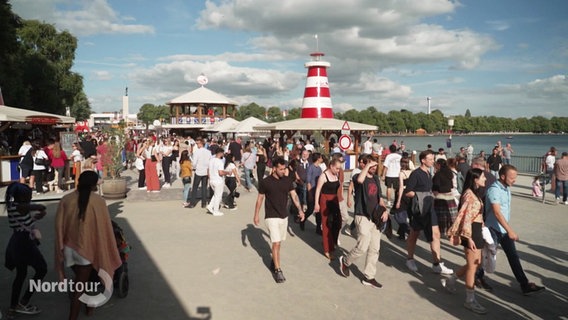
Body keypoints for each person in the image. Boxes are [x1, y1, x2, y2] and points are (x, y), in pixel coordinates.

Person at [55, 171, 122, 320]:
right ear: (93, 185)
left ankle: (88, 305)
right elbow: (104, 229)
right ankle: (73, 317)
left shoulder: (66, 199)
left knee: (81, 279)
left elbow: (59, 226)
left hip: (68, 249)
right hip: (86, 251)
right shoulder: (98, 201)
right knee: (80, 285)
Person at [485, 165, 546, 295]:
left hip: (503, 229)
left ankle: (524, 285)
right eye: (512, 178)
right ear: (502, 176)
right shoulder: (494, 190)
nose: (515, 180)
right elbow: (496, 212)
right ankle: (476, 277)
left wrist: (507, 229)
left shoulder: (506, 188)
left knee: (513, 256)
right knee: (487, 257)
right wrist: (510, 230)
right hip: (493, 229)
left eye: (515, 178)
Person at [338, 154, 389, 289]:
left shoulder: (376, 179)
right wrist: (367, 165)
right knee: (362, 246)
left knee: (375, 249)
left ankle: (369, 276)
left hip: (375, 218)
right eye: (371, 165)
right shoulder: (358, 176)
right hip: (362, 216)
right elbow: (360, 180)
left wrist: (385, 210)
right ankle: (346, 261)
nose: (373, 168)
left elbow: (380, 198)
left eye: (374, 166)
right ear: (366, 165)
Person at [253, 157, 305, 283]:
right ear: (274, 168)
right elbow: (260, 199)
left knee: (279, 242)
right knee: (275, 243)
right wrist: (256, 215)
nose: (283, 171)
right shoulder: (265, 182)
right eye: (281, 169)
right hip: (271, 216)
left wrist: (300, 209)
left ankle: (273, 261)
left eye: (284, 169)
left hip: (283, 216)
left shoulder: (287, 181)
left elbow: (294, 195)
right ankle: (278, 270)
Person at [445, 168, 488, 314]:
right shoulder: (469, 195)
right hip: (470, 232)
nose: (485, 179)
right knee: (472, 266)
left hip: (477, 230)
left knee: (477, 263)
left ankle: (452, 278)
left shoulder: (474, 193)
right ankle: (470, 300)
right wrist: (467, 237)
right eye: (482, 177)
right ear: (475, 179)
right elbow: (464, 216)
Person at [405, 150, 453, 275]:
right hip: (419, 210)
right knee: (414, 235)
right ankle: (410, 259)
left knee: (435, 235)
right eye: (430, 159)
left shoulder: (429, 173)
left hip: (430, 208)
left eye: (433, 159)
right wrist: (420, 195)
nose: (433, 161)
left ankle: (437, 263)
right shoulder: (416, 174)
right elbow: (408, 191)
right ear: (423, 160)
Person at [4, 182, 47, 317]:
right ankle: (23, 301)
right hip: (23, 243)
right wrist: (41, 208)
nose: (30, 199)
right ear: (21, 197)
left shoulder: (14, 206)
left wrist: (35, 218)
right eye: (28, 196)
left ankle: (13, 307)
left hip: (18, 242)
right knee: (42, 269)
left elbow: (26, 218)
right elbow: (38, 206)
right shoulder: (19, 206)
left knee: (21, 274)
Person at [313, 158, 343, 260]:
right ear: (331, 166)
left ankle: (332, 241)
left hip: (334, 200)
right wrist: (316, 204)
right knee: (327, 225)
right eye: (337, 168)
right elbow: (318, 190)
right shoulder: (323, 176)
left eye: (339, 168)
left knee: (338, 222)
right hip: (325, 200)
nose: (338, 170)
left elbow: (339, 187)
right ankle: (327, 249)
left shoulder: (336, 175)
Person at [432, 159, 458, 235]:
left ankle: (441, 231)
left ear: (438, 165)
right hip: (450, 196)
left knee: (441, 218)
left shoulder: (438, 174)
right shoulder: (449, 173)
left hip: (441, 197)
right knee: (451, 217)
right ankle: (451, 231)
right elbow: (451, 186)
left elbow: (435, 187)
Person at [303, 152, 324, 233]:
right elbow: (308, 182)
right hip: (312, 191)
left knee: (318, 211)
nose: (322, 159)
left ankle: (318, 228)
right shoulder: (310, 167)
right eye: (321, 157)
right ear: (318, 158)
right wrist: (310, 194)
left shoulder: (319, 168)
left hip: (318, 192)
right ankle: (303, 220)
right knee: (310, 209)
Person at [188, 138, 211, 208]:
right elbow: (209, 162)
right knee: (204, 188)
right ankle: (204, 203)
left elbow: (194, 163)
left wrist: (193, 167)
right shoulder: (208, 152)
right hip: (206, 171)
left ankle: (192, 203)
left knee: (195, 187)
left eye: (197, 143)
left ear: (201, 143)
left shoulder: (197, 152)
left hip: (198, 171)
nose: (197, 145)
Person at [394, 157, 413, 240]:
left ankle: (407, 230)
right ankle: (401, 234)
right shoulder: (412, 172)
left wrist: (398, 200)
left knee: (398, 214)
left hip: (403, 194)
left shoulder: (402, 173)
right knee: (405, 213)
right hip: (410, 193)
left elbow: (401, 187)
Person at [207, 148, 228, 216]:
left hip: (212, 180)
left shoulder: (211, 160)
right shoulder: (220, 162)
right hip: (218, 180)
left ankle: (210, 206)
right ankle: (216, 211)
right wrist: (227, 172)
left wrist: (209, 178)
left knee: (216, 195)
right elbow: (220, 173)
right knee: (218, 196)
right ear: (221, 153)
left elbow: (208, 170)